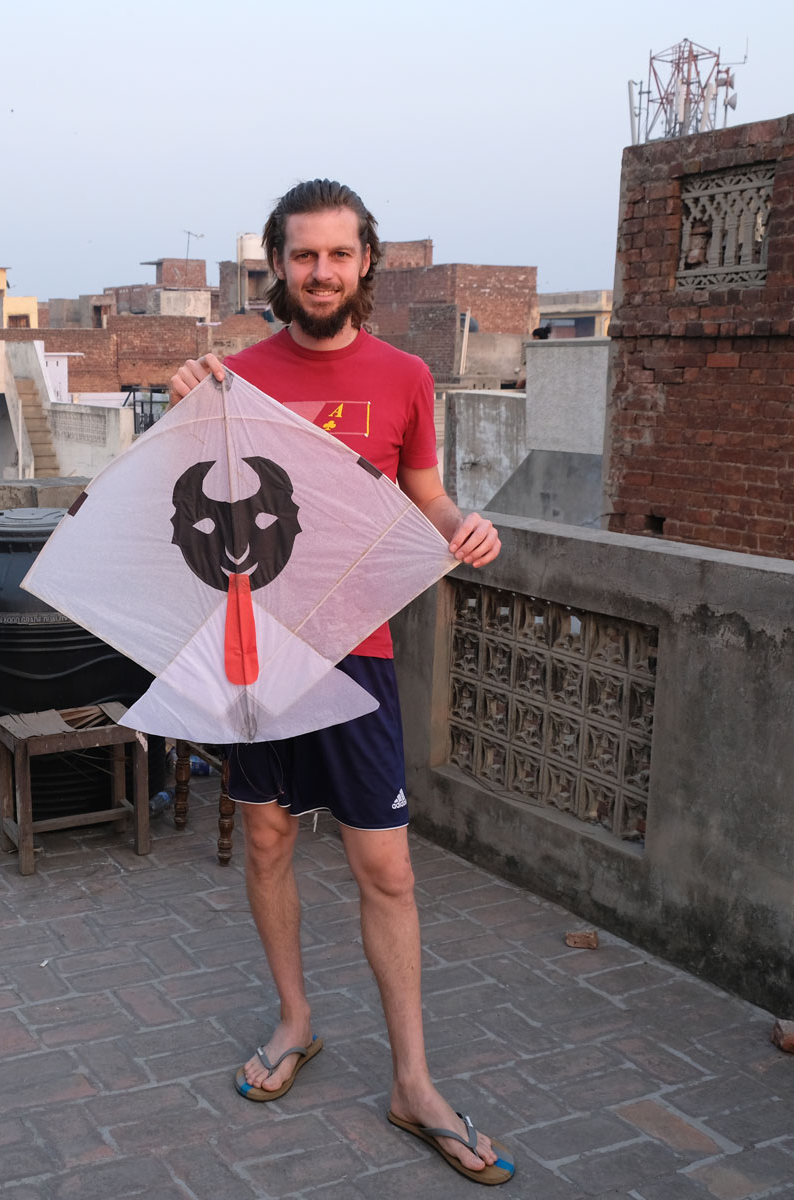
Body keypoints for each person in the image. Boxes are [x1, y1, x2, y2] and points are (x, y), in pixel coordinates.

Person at [167, 179, 513, 1186]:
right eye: (303, 255)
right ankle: (295, 1019)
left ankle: (413, 1080)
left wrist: (462, 528)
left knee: (388, 870)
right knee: (268, 839)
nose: (322, 272)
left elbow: (425, 493)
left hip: (359, 652)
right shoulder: (231, 377)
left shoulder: (405, 376)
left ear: (367, 265)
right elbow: (175, 506)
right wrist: (179, 410)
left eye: (340, 255)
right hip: (255, 654)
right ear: (276, 264)